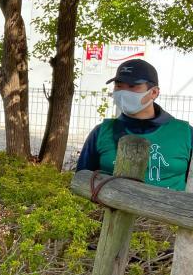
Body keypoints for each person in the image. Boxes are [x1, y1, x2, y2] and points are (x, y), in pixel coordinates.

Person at [77, 59, 192, 191]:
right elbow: (82, 179)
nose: (123, 93)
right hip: (112, 209)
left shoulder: (185, 133)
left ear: (154, 92)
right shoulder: (101, 132)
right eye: (119, 86)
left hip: (169, 210)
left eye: (132, 86)